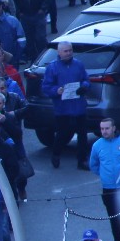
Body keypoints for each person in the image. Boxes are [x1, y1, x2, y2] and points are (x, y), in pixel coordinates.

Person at [41, 42, 91, 170]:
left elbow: (86, 79)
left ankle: (82, 160)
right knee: (62, 134)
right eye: (65, 51)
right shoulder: (52, 67)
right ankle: (56, 154)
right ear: (59, 53)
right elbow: (46, 87)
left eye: (70, 50)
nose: (68, 53)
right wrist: (56, 91)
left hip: (79, 106)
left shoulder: (78, 64)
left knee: (82, 134)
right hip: (62, 108)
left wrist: (84, 87)